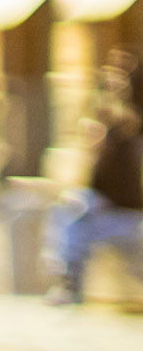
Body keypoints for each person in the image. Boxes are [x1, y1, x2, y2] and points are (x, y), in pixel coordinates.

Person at [56, 99, 143, 302]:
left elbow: (128, 196)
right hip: (105, 219)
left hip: (125, 219)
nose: (87, 138)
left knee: (75, 219)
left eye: (91, 131)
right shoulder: (102, 156)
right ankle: (68, 279)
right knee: (73, 212)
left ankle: (69, 282)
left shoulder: (122, 153)